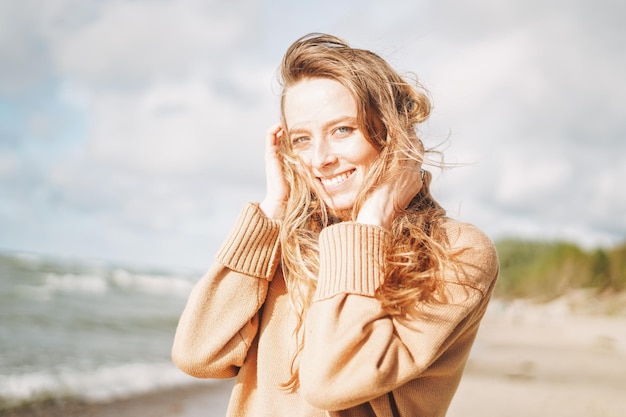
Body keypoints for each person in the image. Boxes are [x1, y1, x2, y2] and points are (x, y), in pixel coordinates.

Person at [172, 33, 499, 417]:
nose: (320, 159)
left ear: (392, 131)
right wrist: (272, 214)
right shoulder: (284, 243)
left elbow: (332, 382)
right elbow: (198, 355)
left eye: (342, 130)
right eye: (302, 139)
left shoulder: (458, 250)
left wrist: (371, 222)